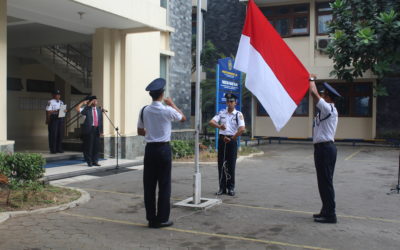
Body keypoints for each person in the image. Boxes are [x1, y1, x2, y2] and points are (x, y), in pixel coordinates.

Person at [137, 78, 186, 228]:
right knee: (164, 185)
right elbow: (183, 118)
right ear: (162, 94)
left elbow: (140, 131)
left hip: (150, 149)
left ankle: (151, 219)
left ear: (151, 95)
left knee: (149, 185)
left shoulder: (144, 110)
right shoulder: (167, 110)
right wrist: (172, 104)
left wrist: (151, 132)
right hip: (163, 149)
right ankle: (162, 218)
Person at [309, 74, 341, 224]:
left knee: (326, 181)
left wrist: (311, 80)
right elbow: (315, 95)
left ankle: (331, 214)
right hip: (321, 149)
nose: (321, 97)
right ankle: (325, 210)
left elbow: (313, 94)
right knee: (322, 181)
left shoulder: (329, 109)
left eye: (323, 95)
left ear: (328, 97)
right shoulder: (325, 110)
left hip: (326, 149)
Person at [209, 93, 245, 196]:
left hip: (232, 141)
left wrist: (232, 138)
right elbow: (211, 122)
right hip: (222, 140)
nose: (229, 103)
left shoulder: (238, 114)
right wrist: (219, 126)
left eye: (231, 101)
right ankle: (222, 188)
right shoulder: (222, 113)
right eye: (228, 101)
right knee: (221, 164)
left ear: (235, 102)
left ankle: (231, 188)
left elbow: (242, 129)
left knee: (231, 165)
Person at [75, 96, 103, 167]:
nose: (95, 101)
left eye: (96, 100)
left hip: (96, 129)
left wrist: (101, 131)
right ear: (90, 102)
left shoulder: (99, 110)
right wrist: (87, 104)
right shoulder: (87, 109)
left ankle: (95, 161)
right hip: (89, 129)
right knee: (89, 146)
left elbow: (100, 121)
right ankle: (89, 161)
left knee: (96, 146)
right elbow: (82, 112)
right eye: (93, 100)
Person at [46, 90, 66, 154]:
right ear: (53, 95)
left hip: (60, 118)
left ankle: (59, 148)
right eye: (57, 94)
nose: (58, 96)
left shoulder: (61, 102)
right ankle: (53, 149)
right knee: (53, 134)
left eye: (59, 95)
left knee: (60, 134)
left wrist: (64, 110)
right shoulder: (50, 102)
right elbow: (48, 111)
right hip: (53, 119)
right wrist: (57, 110)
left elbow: (62, 111)